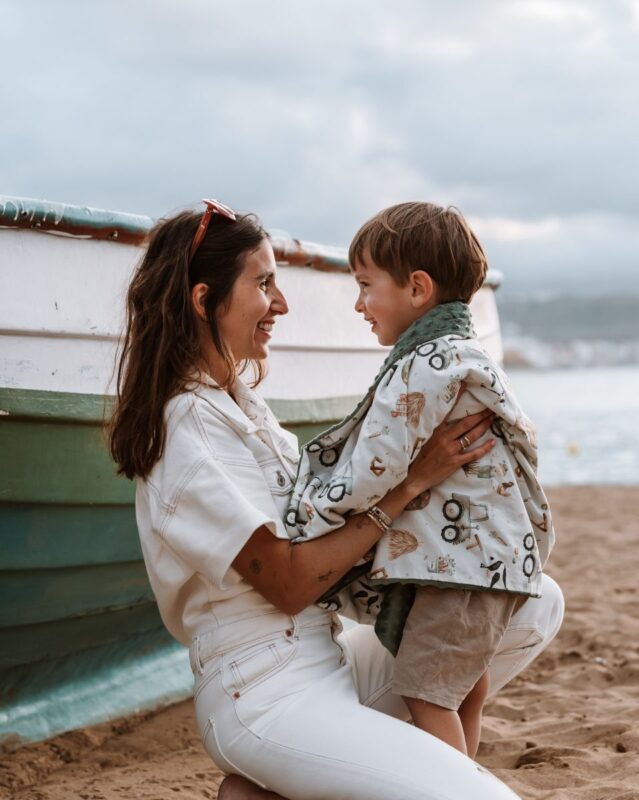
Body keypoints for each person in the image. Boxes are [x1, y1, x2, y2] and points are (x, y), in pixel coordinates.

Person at [108, 199, 564, 800]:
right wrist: (408, 486)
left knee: (530, 598)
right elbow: (291, 584)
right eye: (264, 283)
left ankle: (272, 791)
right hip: (265, 689)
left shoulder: (243, 406)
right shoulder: (190, 427)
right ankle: (301, 766)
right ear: (202, 300)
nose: (281, 304)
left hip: (326, 652)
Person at [283, 202, 556, 758]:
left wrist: (312, 510)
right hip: (489, 563)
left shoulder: (425, 365)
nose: (358, 304)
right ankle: (466, 777)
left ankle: (451, 788)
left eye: (365, 286)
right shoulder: (467, 355)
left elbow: (374, 466)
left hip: (460, 570)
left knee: (426, 696)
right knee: (463, 691)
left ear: (417, 289)